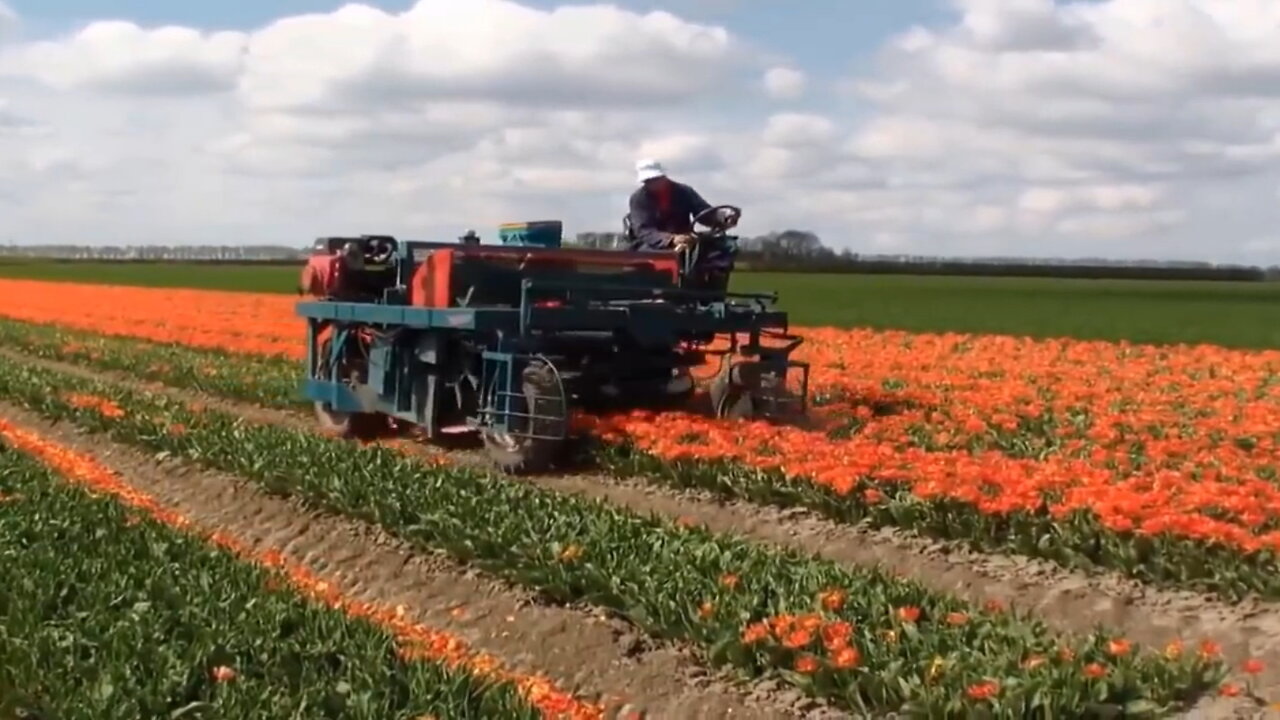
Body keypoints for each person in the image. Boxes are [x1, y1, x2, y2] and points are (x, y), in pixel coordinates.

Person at [627, 159, 715, 252]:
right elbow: (643, 230)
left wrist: (722, 217)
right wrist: (670, 239)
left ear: (663, 176)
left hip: (685, 240)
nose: (652, 183)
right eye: (648, 181)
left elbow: (704, 213)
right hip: (651, 244)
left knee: (718, 250)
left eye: (655, 179)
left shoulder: (684, 191)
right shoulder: (638, 198)